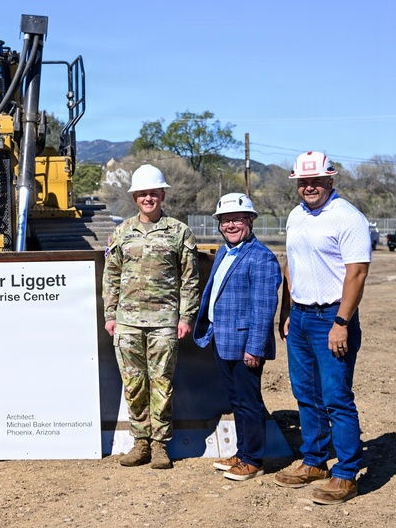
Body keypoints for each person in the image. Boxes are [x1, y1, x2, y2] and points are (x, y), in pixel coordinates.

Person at [273, 151, 371, 505]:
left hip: (332, 316)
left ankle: (346, 473)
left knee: (336, 397)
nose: (309, 187)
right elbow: (290, 264)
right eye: (304, 181)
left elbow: (357, 273)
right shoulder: (296, 215)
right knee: (305, 393)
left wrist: (342, 322)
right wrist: (287, 311)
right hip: (299, 316)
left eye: (316, 181)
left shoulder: (347, 218)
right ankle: (314, 461)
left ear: (331, 180)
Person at [103, 164, 199, 469]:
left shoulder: (179, 231)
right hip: (127, 321)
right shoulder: (122, 231)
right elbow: (112, 274)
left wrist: (186, 317)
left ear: (162, 194)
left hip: (164, 321)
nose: (148, 198)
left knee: (162, 383)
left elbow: (190, 279)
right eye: (143, 194)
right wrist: (110, 314)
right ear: (135, 198)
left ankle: (160, 445)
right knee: (133, 384)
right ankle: (140, 443)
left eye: (153, 193)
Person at [193, 193, 281, 481]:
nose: (230, 225)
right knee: (237, 401)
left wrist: (254, 349)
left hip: (245, 346)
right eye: (225, 220)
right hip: (223, 339)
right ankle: (243, 453)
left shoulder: (262, 258)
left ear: (251, 220)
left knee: (249, 401)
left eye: (237, 219)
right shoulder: (223, 252)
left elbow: (264, 309)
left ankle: (253, 459)